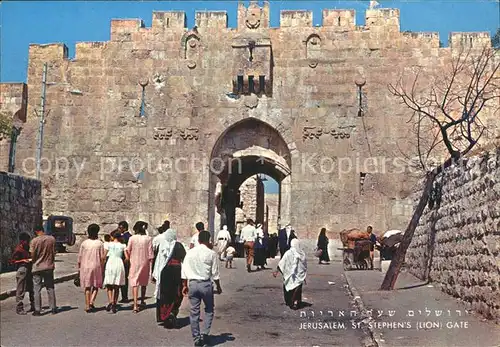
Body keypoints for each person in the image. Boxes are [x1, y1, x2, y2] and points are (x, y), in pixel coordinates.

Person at [182, 230, 222, 347]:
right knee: (209, 309)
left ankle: (196, 338)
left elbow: (184, 270)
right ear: (208, 240)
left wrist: (184, 285)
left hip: (193, 284)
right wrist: (218, 286)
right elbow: (215, 273)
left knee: (194, 312)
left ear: (198, 240)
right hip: (205, 284)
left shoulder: (190, 253)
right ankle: (205, 333)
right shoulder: (211, 254)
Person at [152, 228, 187, 328]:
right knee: (176, 293)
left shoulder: (161, 246)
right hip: (176, 273)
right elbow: (184, 259)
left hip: (164, 273)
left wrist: (155, 274)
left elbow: (157, 261)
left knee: (164, 294)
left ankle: (164, 316)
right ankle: (172, 312)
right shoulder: (179, 245)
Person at [126, 221, 153, 313]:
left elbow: (128, 249)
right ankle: (142, 300)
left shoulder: (132, 238)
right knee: (143, 281)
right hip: (145, 262)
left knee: (135, 282)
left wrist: (129, 258)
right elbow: (150, 254)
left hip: (134, 261)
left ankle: (135, 304)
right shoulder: (148, 238)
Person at [78, 224, 106, 313]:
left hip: (85, 266)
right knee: (95, 285)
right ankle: (91, 302)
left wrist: (79, 268)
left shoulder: (84, 243)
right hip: (96, 265)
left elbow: (80, 257)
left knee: (87, 286)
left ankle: (87, 305)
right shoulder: (100, 243)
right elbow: (102, 257)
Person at [30, 225, 57, 316]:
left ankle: (37, 309)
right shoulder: (51, 239)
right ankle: (53, 307)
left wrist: (33, 261)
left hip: (37, 267)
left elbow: (32, 254)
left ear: (36, 231)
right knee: (50, 287)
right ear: (42, 230)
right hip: (49, 266)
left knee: (37, 289)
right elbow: (54, 252)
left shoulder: (34, 241)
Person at [273, 239, 307, 310]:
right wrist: (303, 275)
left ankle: (290, 301)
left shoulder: (288, 253)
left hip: (289, 275)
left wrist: (277, 271)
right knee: (298, 288)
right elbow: (304, 266)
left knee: (288, 287)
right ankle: (295, 301)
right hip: (299, 276)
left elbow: (282, 263)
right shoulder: (302, 254)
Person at [10, 232, 35, 314]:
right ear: (22, 241)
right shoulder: (18, 250)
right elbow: (13, 261)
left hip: (29, 269)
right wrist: (23, 260)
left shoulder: (28, 248)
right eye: (26, 241)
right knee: (20, 290)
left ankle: (33, 305)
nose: (27, 242)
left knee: (31, 288)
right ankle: (19, 308)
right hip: (22, 269)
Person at [103, 230, 126, 313]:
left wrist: (103, 263)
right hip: (119, 262)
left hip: (110, 262)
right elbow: (127, 257)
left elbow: (104, 256)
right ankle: (114, 302)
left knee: (109, 284)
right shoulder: (123, 245)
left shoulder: (108, 245)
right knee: (117, 285)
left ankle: (110, 301)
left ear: (112, 237)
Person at [117, 221, 131, 303]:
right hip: (124, 259)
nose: (118, 229)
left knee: (123, 278)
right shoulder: (128, 236)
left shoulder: (126, 237)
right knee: (124, 278)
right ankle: (124, 296)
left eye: (120, 227)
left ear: (124, 228)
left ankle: (124, 296)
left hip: (123, 259)